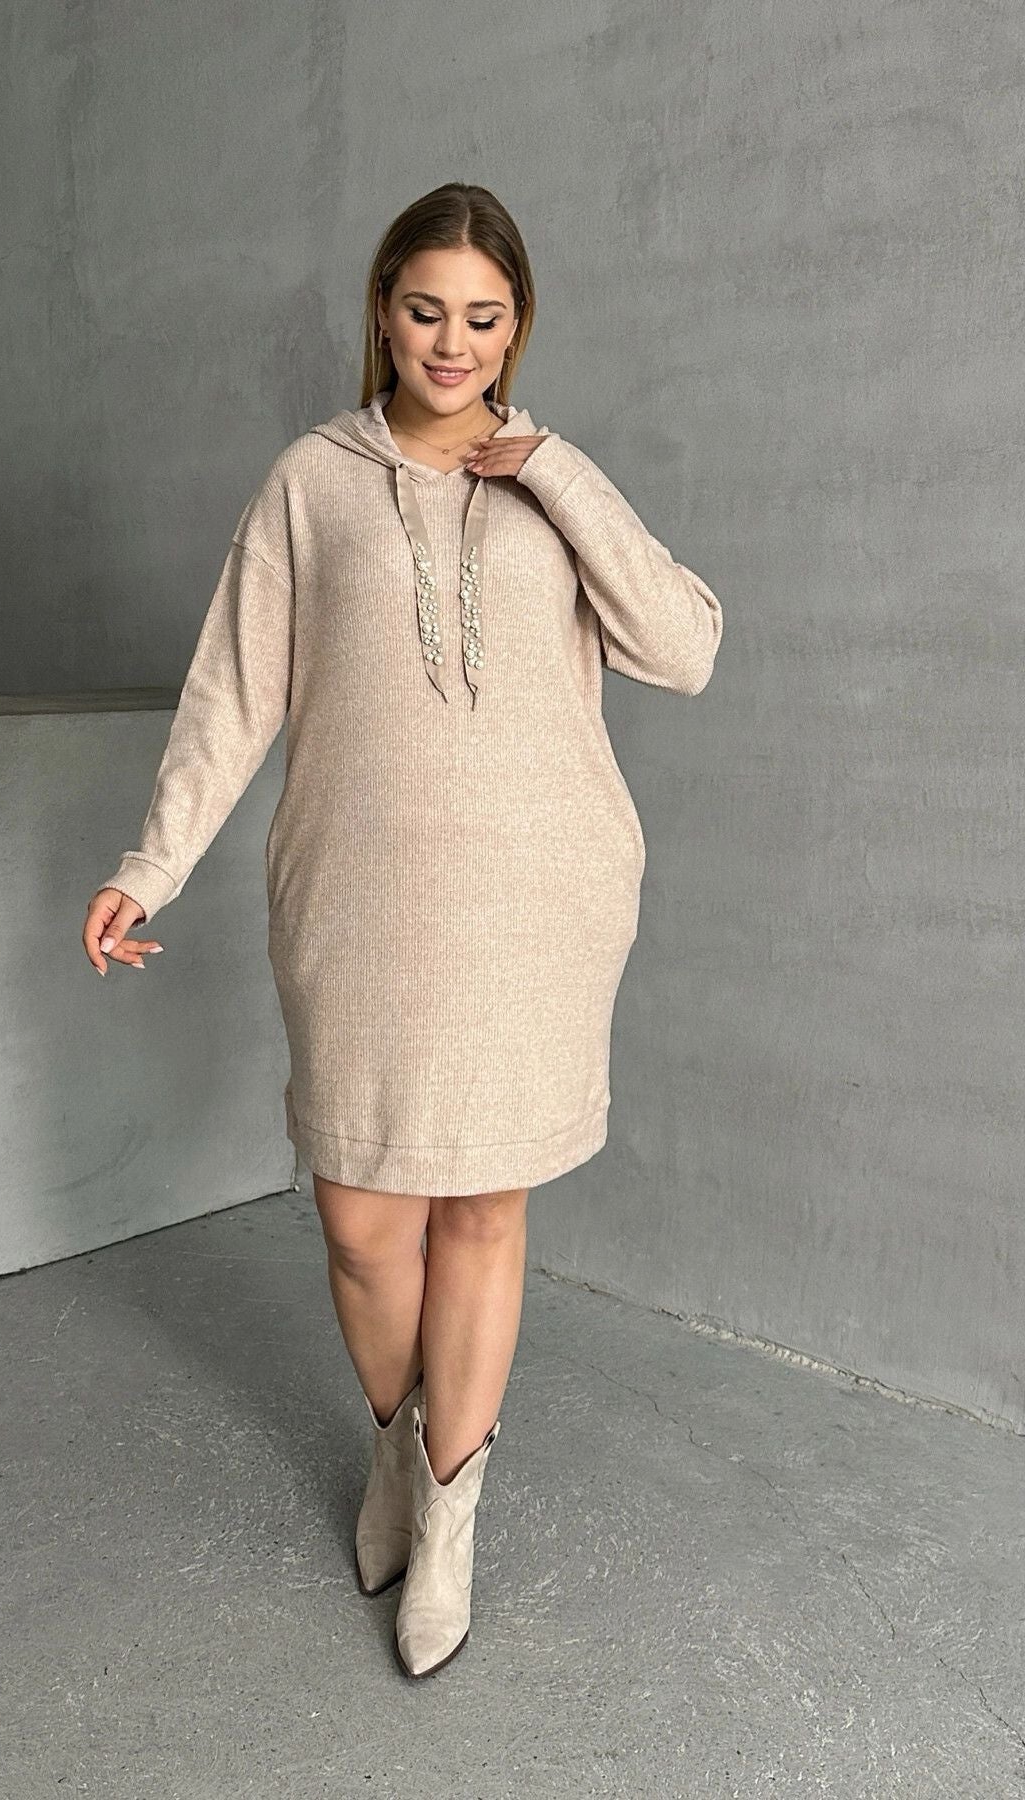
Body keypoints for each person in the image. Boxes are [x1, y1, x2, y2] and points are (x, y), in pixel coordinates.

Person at [82, 182, 723, 1679]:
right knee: (366, 1224)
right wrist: (150, 866)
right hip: (359, 898)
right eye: (426, 310)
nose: (452, 342)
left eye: (483, 318)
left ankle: (450, 1518)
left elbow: (683, 646)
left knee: (485, 1212)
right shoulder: (311, 481)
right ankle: (399, 1444)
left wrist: (556, 470)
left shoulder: (555, 479)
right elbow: (233, 691)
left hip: (538, 901)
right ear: (383, 310)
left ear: (519, 326)